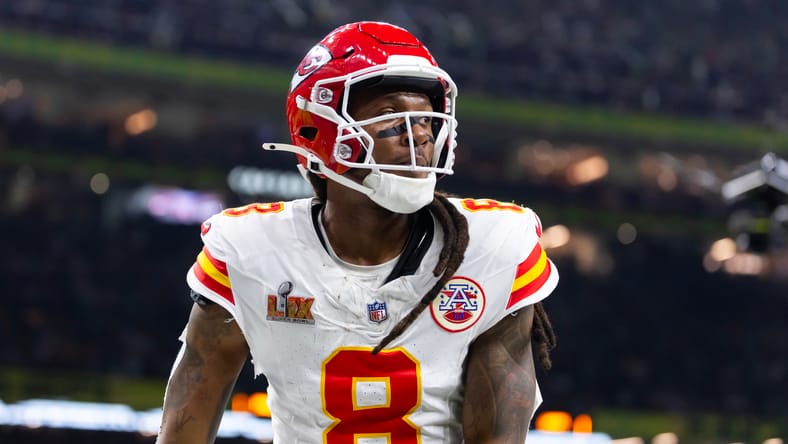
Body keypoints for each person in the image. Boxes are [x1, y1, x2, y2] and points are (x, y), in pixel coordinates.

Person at [157, 21, 558, 444]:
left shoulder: (492, 247)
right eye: (390, 115)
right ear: (317, 130)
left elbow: (496, 435)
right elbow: (190, 413)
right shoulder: (250, 250)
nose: (419, 133)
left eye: (425, 117)